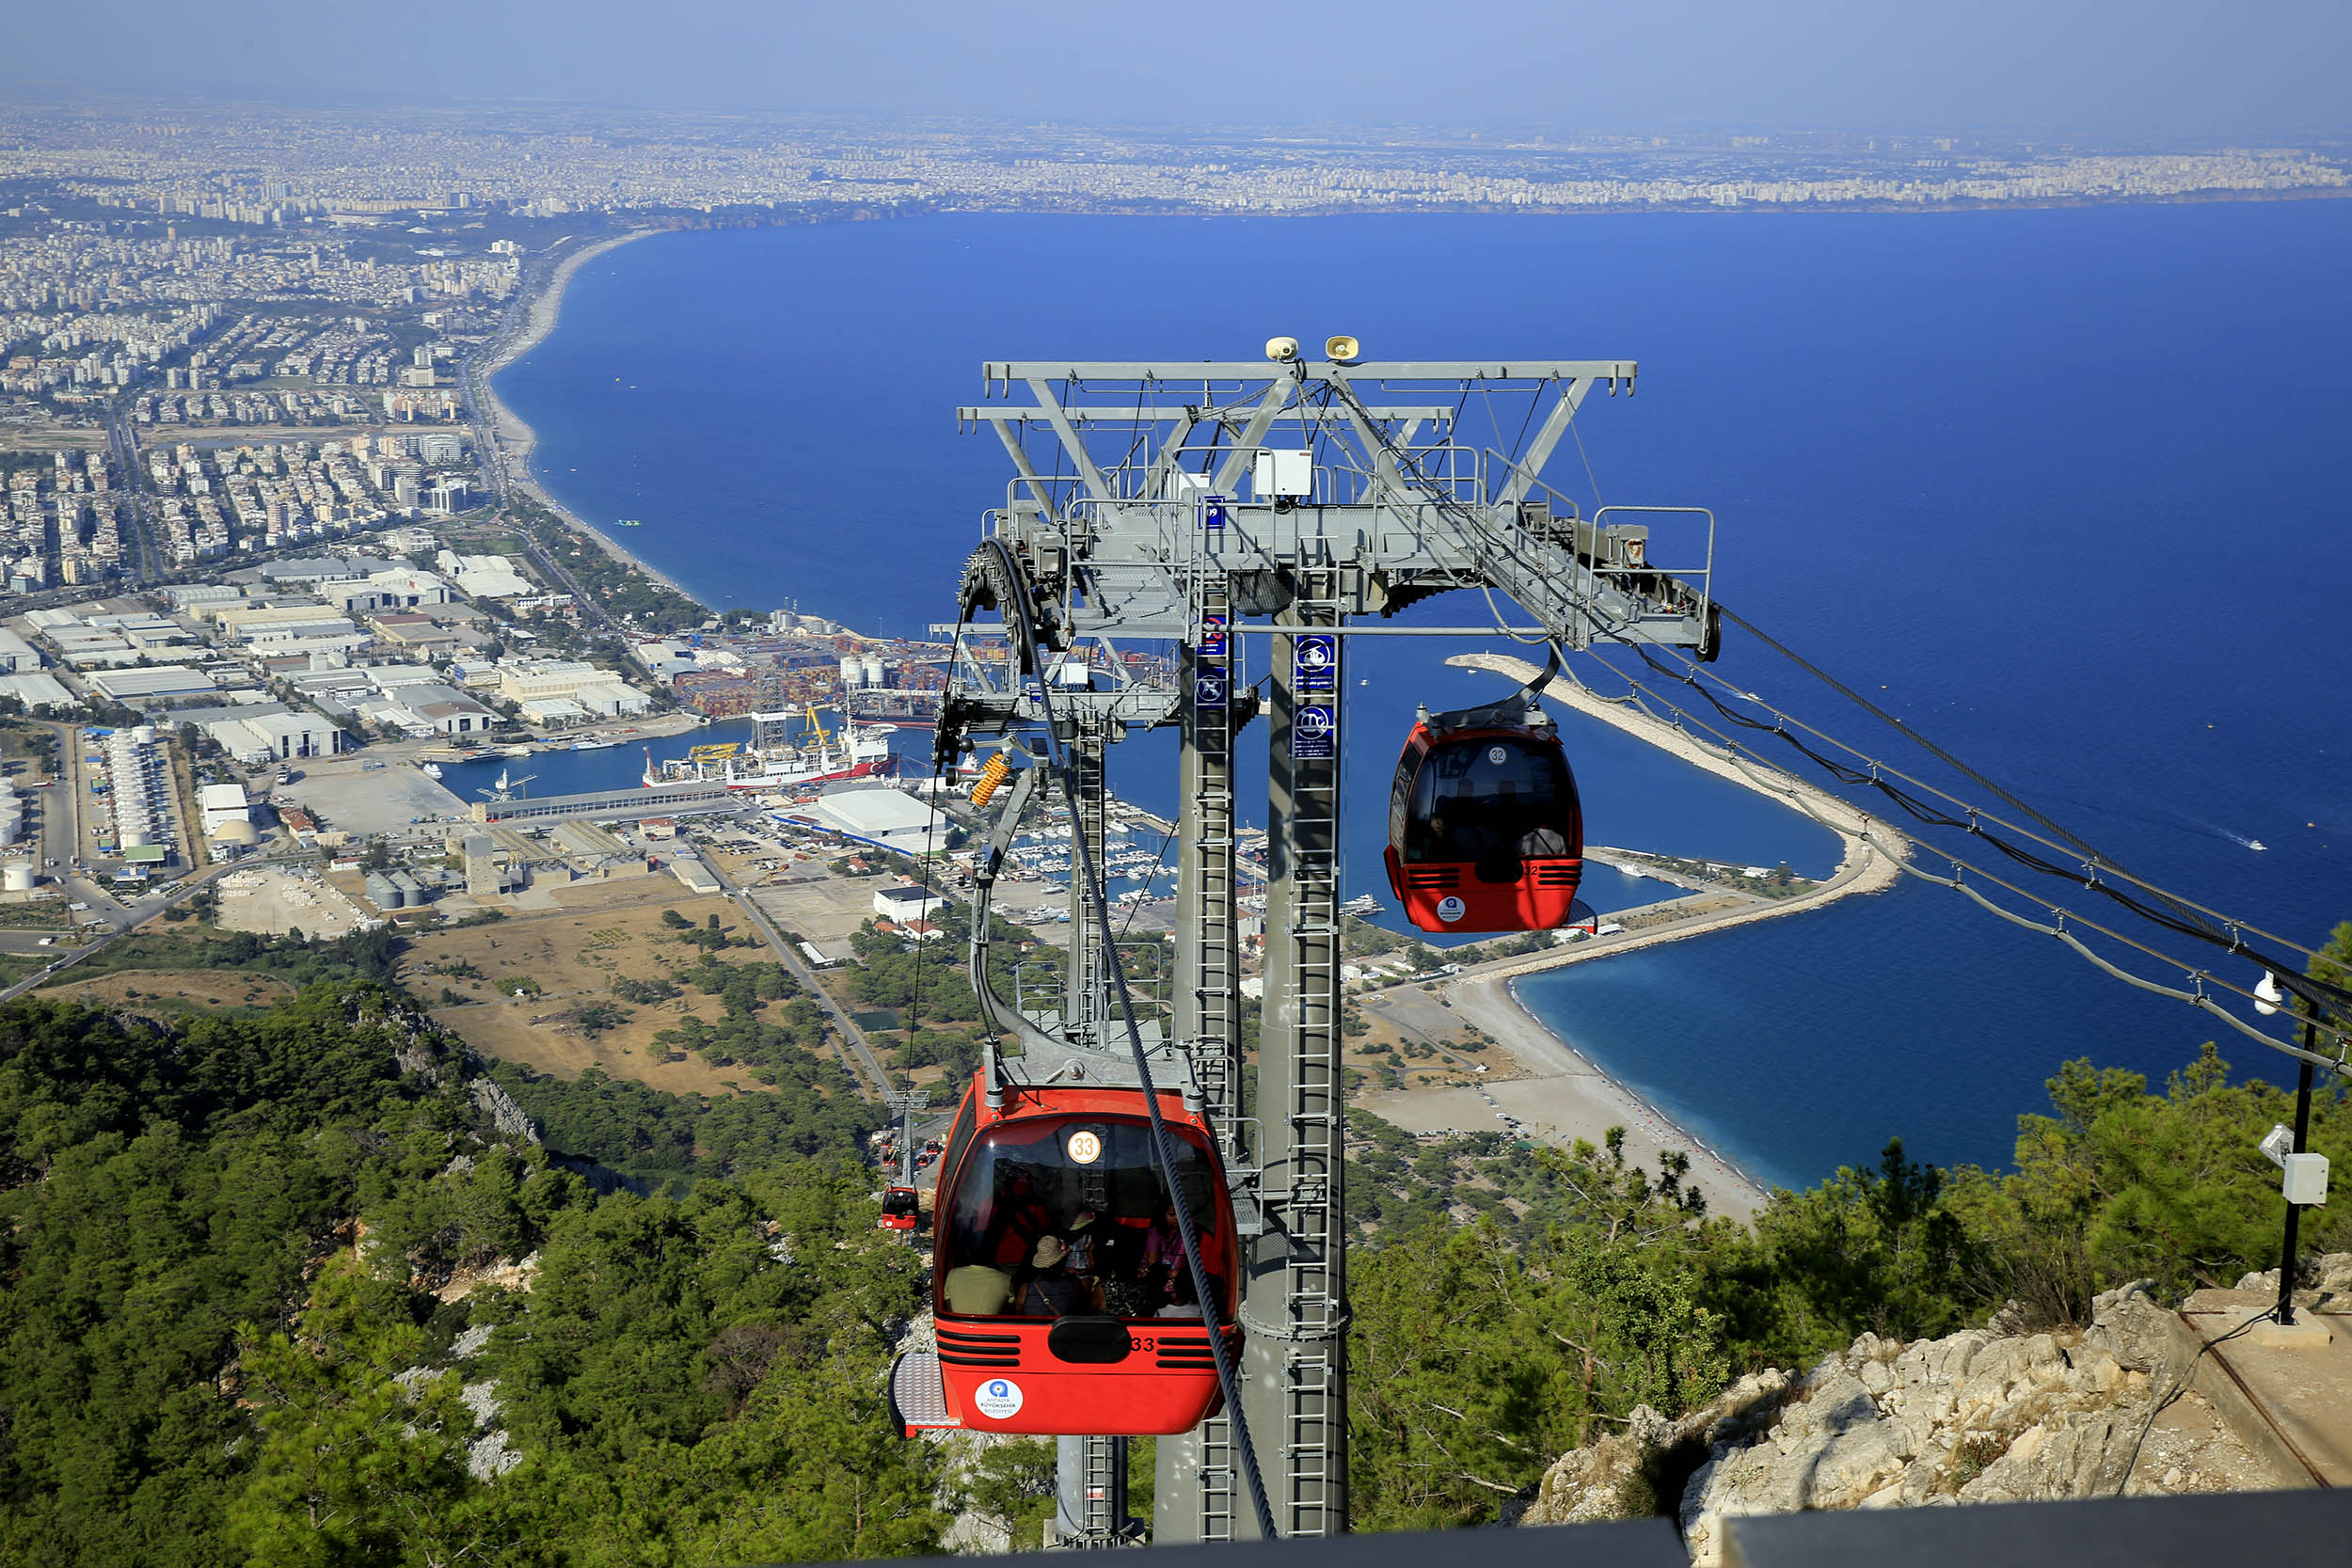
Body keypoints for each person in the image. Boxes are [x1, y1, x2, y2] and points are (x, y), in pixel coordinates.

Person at [1016, 1235, 1095, 1319]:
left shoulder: (1025, 1288)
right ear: (1063, 1260)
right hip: (1064, 1331)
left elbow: (1018, 1316)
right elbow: (1083, 1312)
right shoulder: (1074, 1283)